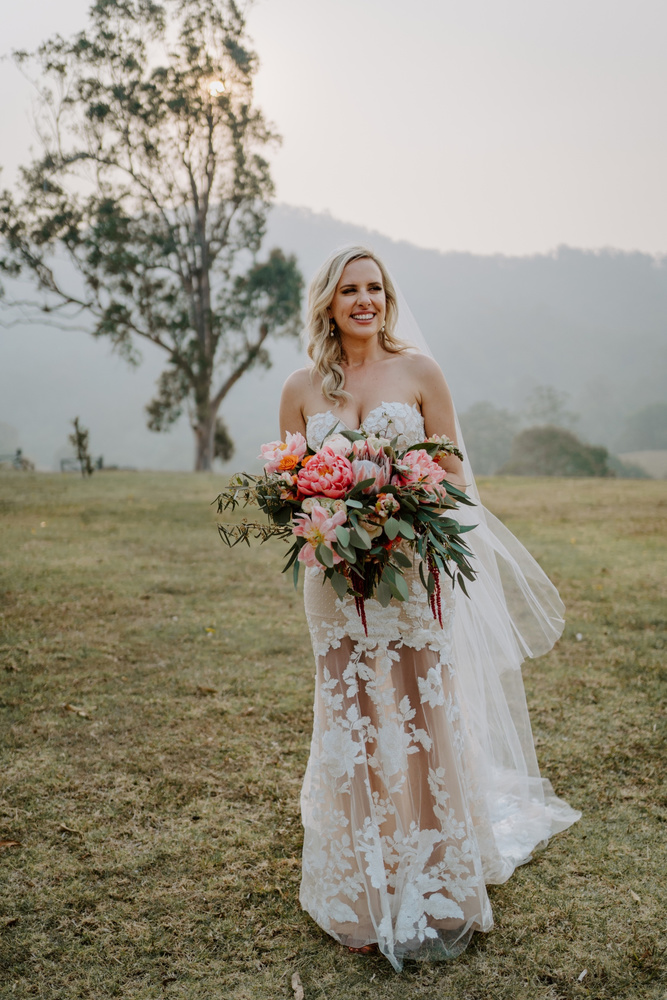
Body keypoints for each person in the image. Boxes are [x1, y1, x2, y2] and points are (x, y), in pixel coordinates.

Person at [279, 246, 580, 972]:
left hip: (410, 572)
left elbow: (452, 476)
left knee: (418, 715)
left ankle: (439, 882)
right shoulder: (299, 387)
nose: (363, 300)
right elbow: (289, 484)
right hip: (333, 577)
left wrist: (396, 501)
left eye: (374, 288)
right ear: (326, 301)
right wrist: (328, 507)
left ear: (387, 297)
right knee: (349, 717)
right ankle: (358, 891)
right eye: (348, 289)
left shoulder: (418, 374)